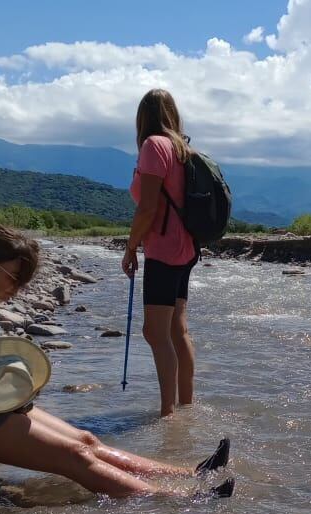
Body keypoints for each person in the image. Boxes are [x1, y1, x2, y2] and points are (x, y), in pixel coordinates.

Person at [0, 224, 231, 498]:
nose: (17, 290)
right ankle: (181, 499)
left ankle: (189, 473)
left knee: (87, 439)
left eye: (23, 283)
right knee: (74, 457)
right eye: (14, 279)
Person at [121, 88, 199, 418]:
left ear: (144, 117)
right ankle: (187, 406)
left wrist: (130, 246)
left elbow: (148, 207)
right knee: (176, 330)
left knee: (155, 332)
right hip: (187, 249)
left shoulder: (154, 145)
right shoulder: (184, 149)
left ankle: (167, 415)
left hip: (164, 250)